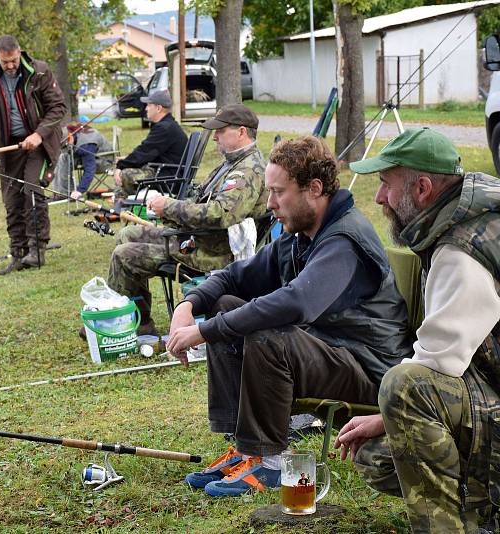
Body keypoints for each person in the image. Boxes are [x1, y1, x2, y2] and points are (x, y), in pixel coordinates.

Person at [166, 136, 412, 497]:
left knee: (269, 335)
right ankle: (247, 449)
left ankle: (270, 463)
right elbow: (236, 275)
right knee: (226, 305)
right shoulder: (302, 235)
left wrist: (205, 333)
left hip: (370, 372)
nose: (270, 203)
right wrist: (189, 306)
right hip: (331, 353)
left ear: (314, 189)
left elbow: (296, 303)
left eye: (279, 192)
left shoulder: (344, 240)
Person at [334, 127, 500, 533]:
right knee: (379, 453)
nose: (378, 199)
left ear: (423, 188)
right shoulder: (470, 219)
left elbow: (438, 362)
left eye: (386, 184)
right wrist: (382, 419)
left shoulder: (462, 248)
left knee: (404, 387)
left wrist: (388, 410)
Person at [104, 104, 267, 337]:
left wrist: (169, 207)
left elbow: (221, 214)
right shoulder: (232, 163)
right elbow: (203, 197)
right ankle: (139, 318)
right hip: (197, 238)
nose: (215, 137)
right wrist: (169, 201)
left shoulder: (247, 170)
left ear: (241, 132)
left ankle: (125, 323)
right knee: (126, 234)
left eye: (220, 131)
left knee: (124, 255)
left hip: (210, 251)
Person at [0, 35, 66, 275]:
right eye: (5, 62)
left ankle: (37, 250)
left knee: (31, 190)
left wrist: (39, 134)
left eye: (13, 60)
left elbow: (58, 108)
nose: (10, 66)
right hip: (8, 147)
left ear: (19, 53)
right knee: (11, 200)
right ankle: (18, 253)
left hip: (39, 144)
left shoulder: (40, 72)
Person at [113, 89, 188, 202]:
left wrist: (120, 166)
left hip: (169, 179)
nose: (146, 108)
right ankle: (121, 203)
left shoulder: (164, 128)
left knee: (125, 174)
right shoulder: (167, 125)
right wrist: (127, 160)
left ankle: (123, 204)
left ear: (158, 108)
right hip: (169, 173)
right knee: (128, 169)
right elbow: (148, 152)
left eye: (149, 105)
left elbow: (143, 152)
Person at [52, 123, 114, 200]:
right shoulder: (73, 134)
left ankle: (67, 193)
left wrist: (79, 190)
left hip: (103, 161)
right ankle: (59, 193)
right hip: (87, 157)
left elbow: (90, 169)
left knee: (64, 158)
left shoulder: (86, 145)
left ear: (70, 138)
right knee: (62, 157)